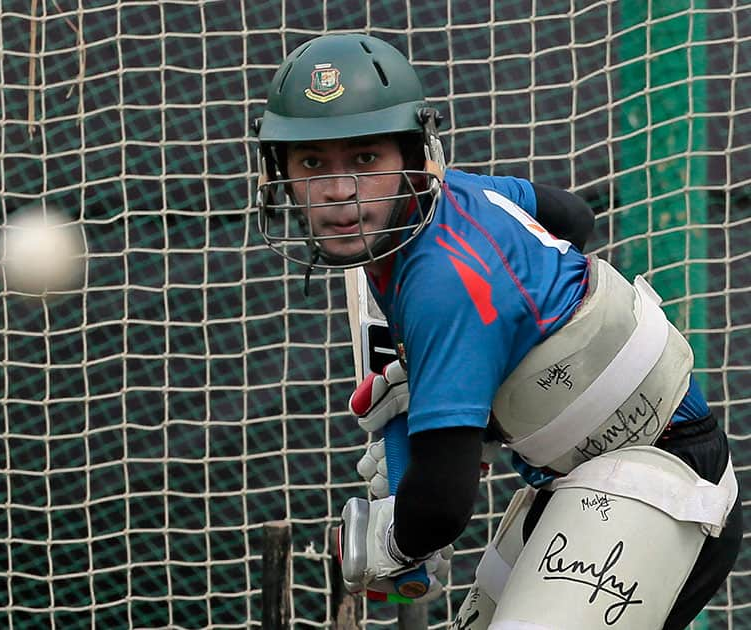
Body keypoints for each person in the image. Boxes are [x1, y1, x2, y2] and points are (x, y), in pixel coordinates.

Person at [249, 33, 741, 629]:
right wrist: (504, 377)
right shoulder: (464, 192)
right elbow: (571, 216)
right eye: (311, 163)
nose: (336, 190)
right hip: (576, 487)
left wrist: (394, 543)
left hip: (659, 489)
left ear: (412, 154)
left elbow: (443, 507)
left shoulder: (439, 284)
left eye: (363, 159)